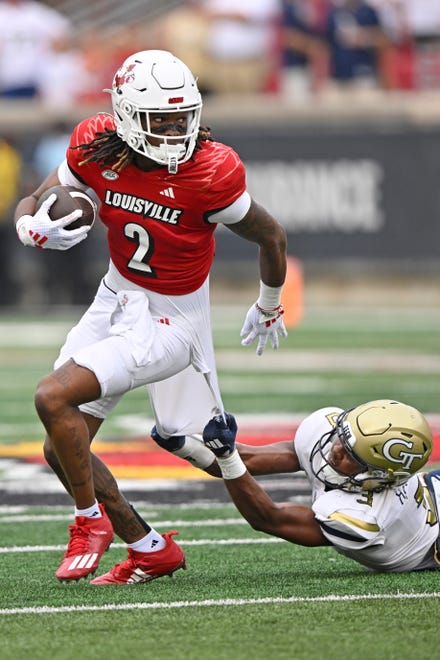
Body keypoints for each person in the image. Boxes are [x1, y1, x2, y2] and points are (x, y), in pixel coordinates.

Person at [14, 49, 288, 584]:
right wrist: (30, 225)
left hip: (173, 320)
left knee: (53, 395)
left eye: (182, 118)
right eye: (158, 120)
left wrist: (270, 301)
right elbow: (39, 196)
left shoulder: (211, 169)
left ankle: (88, 520)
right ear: (123, 115)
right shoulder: (95, 144)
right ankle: (148, 546)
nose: (172, 131)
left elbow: (270, 234)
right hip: (115, 295)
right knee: (60, 442)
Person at [201, 400, 440, 572]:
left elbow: (269, 518)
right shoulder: (329, 439)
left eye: (351, 456)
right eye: (341, 437)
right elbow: (249, 459)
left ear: (378, 478)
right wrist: (184, 445)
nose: (335, 449)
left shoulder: (361, 515)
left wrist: (227, 457)